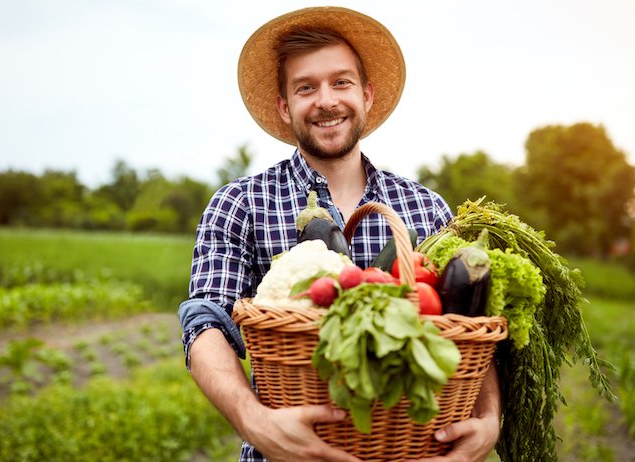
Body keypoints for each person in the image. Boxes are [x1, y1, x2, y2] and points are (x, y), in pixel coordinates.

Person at [178, 6, 501, 462]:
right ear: (284, 106)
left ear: (366, 95)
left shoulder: (426, 207)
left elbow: (470, 327)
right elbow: (205, 321)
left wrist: (489, 419)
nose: (326, 100)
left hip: (414, 450)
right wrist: (256, 422)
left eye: (341, 82)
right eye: (305, 87)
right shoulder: (240, 204)